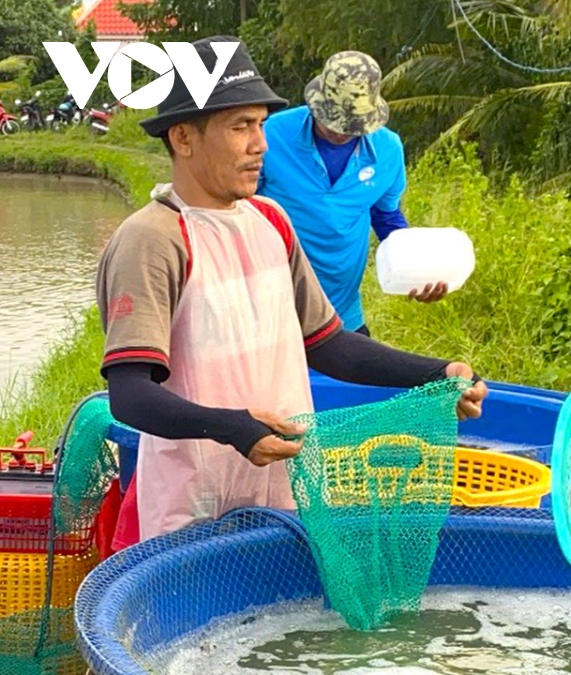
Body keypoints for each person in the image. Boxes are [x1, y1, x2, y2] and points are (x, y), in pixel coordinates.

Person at [96, 36, 488, 552]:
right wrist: (232, 427)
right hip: (194, 502)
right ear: (184, 138)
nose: (260, 143)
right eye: (241, 127)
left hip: (284, 490)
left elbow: (329, 344)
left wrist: (435, 374)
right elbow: (130, 394)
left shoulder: (270, 221)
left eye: (261, 124)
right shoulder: (155, 238)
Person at [257, 50, 444, 338]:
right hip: (270, 310)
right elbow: (238, 207)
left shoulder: (387, 150)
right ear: (316, 104)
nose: (341, 133)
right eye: (333, 121)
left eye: (353, 125)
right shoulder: (272, 135)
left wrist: (415, 271)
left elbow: (386, 217)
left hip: (342, 315)